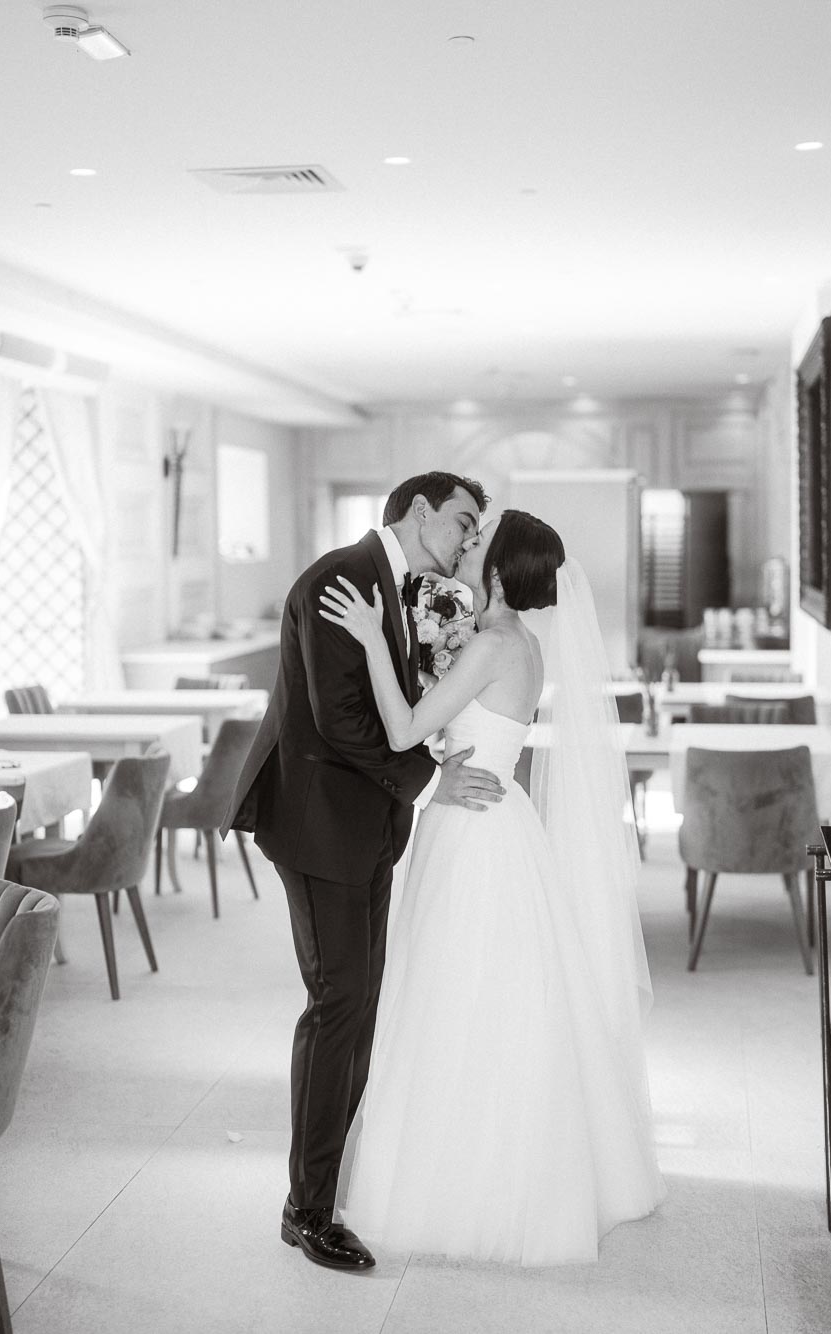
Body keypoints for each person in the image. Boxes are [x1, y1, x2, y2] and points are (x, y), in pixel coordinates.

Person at [318, 509, 666, 1266]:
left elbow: (407, 731)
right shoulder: (522, 643)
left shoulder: (490, 644)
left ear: (501, 572)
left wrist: (376, 640)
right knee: (498, 991)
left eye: (477, 545)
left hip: (474, 830)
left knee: (459, 991)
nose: (466, 550)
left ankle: (465, 1177)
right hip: (496, 815)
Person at [220, 471, 505, 1273]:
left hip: (367, 825)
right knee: (338, 1001)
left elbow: (393, 702)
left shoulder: (403, 587)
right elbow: (340, 719)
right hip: (317, 826)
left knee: (361, 997)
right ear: (419, 512)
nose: (467, 539)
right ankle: (305, 1210)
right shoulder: (339, 579)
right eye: (461, 521)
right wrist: (429, 780)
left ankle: (329, 1178)